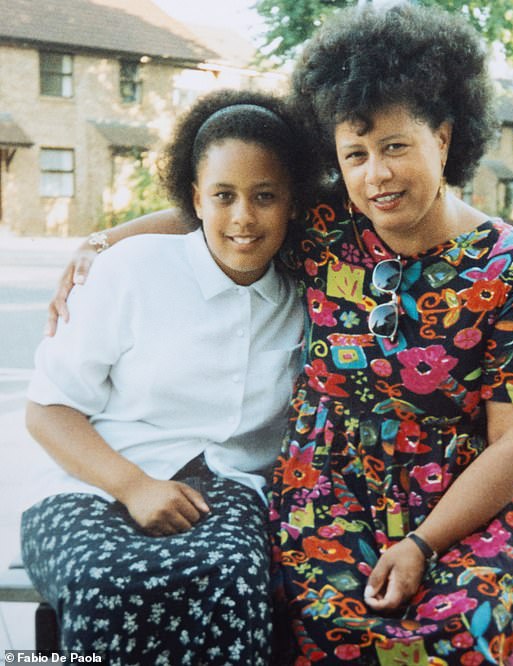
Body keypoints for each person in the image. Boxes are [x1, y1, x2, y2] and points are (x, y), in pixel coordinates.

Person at [46, 6, 513, 664]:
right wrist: (99, 242)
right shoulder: (326, 225)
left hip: (465, 508)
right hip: (330, 499)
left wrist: (423, 545)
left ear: (445, 135)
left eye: (396, 147)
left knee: (465, 630)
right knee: (326, 625)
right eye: (355, 153)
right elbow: (223, 203)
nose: (375, 174)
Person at [21, 88, 312, 665]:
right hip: (94, 487)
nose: (243, 218)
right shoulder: (131, 270)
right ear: (194, 199)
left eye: (265, 197)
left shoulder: (306, 292)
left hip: (227, 493)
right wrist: (133, 486)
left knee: (231, 583)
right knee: (110, 586)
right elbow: (48, 410)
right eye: (223, 196)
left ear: (293, 203)